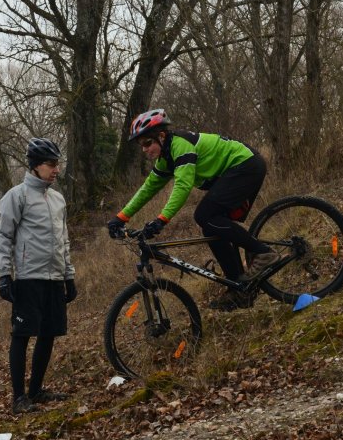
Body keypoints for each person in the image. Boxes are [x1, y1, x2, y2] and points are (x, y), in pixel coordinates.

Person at [107, 109, 280, 311]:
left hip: (245, 165)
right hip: (231, 173)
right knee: (211, 227)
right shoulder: (165, 158)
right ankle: (240, 288)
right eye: (141, 146)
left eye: (147, 143)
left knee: (204, 215)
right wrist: (120, 217)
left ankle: (264, 253)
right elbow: (148, 189)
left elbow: (183, 186)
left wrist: (161, 220)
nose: (145, 149)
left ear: (161, 136)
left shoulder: (181, 146)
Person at [0, 138, 78, 414]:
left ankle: (37, 391)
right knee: (21, 335)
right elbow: (4, 237)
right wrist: (4, 275)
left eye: (57, 164)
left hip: (54, 277)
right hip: (29, 278)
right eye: (51, 164)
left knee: (49, 333)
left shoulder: (57, 198)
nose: (56, 170)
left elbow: (64, 240)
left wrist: (69, 276)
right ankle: (19, 398)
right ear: (34, 166)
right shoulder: (16, 196)